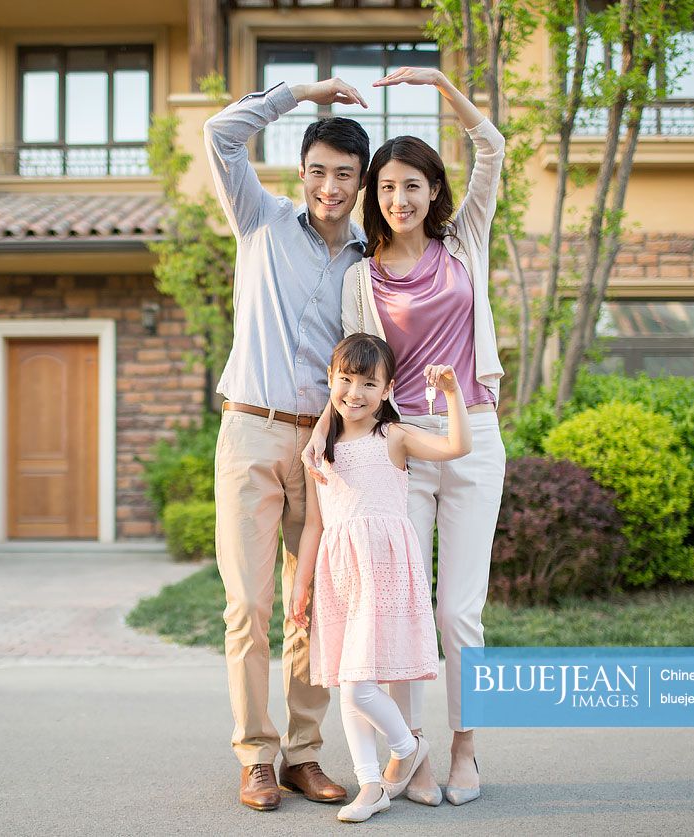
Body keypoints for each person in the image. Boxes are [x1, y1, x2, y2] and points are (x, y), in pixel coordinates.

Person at [303, 66, 507, 807]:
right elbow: (353, 367)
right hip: (397, 450)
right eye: (386, 188)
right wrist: (324, 433)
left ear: (432, 191)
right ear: (374, 198)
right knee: (402, 605)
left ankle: (464, 749)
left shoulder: (466, 241)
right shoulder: (363, 274)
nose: (399, 198)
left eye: (412, 185)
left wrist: (440, 82)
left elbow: (491, 146)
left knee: (458, 609)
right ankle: (410, 757)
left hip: (472, 433)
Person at [204, 77, 373, 811]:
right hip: (251, 429)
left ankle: (305, 752)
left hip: (324, 447)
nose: (328, 186)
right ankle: (255, 754)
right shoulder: (259, 219)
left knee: (314, 606)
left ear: (359, 182)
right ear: (299, 173)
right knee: (248, 604)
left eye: (343, 175)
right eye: (317, 171)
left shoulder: (369, 260)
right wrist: (299, 92)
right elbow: (217, 133)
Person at [289, 333, 472, 823]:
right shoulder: (320, 450)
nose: (355, 392)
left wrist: (453, 392)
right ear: (330, 382)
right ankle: (371, 785)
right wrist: (300, 586)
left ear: (388, 388)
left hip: (382, 570)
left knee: (356, 686)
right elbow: (314, 525)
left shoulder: (393, 436)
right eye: (345, 380)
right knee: (351, 678)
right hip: (338, 574)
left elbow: (458, 445)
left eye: (369, 383)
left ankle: (407, 745)